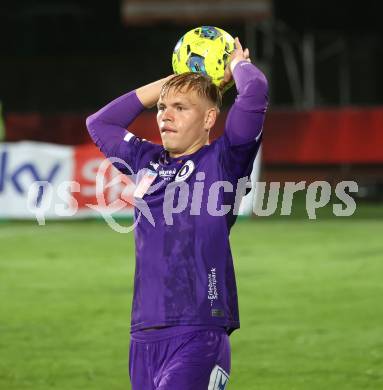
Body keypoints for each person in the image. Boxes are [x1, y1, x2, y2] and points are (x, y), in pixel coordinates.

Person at [86, 37, 268, 390]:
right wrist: (174, 81)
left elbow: (256, 91)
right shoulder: (145, 161)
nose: (165, 115)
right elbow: (100, 123)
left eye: (181, 108)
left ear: (209, 118)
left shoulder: (224, 161)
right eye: (161, 108)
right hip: (143, 335)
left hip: (199, 330)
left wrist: (235, 65)